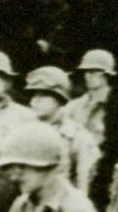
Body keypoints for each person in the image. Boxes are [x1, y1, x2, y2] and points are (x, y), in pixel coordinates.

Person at [25, 66, 99, 195]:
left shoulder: (77, 137)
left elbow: (83, 184)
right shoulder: (26, 132)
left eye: (44, 95)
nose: (35, 100)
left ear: (60, 99)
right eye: (33, 94)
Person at [64, 48, 115, 149]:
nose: (87, 76)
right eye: (86, 72)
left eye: (93, 72)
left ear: (106, 74)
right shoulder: (74, 105)